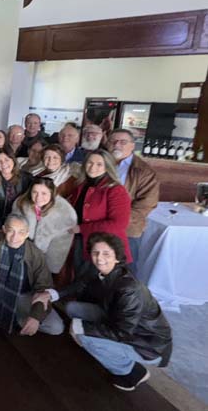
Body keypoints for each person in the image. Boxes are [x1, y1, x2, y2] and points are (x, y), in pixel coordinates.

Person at [34, 233, 172, 391]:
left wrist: (80, 327)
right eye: (96, 253)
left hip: (148, 344)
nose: (99, 258)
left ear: (117, 258)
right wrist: (51, 294)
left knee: (84, 336)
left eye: (106, 254)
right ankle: (103, 348)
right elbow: (80, 284)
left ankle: (132, 373)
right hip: (117, 320)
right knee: (72, 308)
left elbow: (122, 333)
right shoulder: (101, 271)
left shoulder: (129, 290)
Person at [0, 214, 64, 336]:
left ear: (27, 234)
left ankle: (11, 316)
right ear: (4, 229)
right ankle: (2, 310)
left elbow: (44, 286)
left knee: (56, 327)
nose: (15, 237)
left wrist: (35, 317)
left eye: (21, 232)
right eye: (11, 231)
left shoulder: (36, 254)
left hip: (23, 294)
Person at [68, 149, 132, 277]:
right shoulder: (81, 185)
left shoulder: (116, 190)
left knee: (102, 283)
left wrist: (81, 228)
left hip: (106, 248)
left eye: (99, 164)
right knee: (82, 279)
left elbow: (119, 224)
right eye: (90, 163)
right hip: (82, 243)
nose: (93, 167)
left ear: (107, 167)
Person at [108, 129, 159, 270]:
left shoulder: (144, 171)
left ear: (132, 146)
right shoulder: (100, 163)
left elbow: (146, 204)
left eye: (123, 142)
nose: (117, 145)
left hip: (126, 229)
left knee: (125, 270)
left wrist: (116, 220)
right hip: (98, 226)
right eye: (113, 141)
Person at [11, 177, 78, 275]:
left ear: (52, 193)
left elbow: (60, 246)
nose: (38, 197)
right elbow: (13, 226)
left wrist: (48, 268)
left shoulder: (65, 213)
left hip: (46, 256)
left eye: (44, 193)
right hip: (22, 252)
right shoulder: (21, 204)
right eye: (35, 192)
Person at [0, 146, 33, 233]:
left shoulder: (26, 178)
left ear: (13, 160)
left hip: (19, 221)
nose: (3, 164)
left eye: (7, 160)